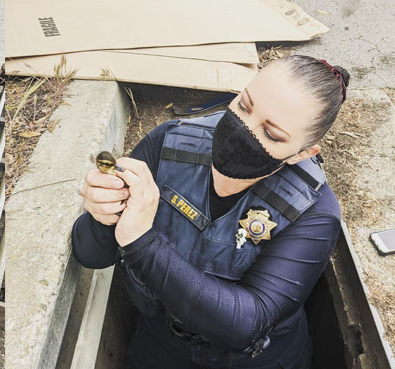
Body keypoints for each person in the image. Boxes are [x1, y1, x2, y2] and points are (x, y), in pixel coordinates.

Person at [72, 55, 350, 368]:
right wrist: (102, 213)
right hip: (160, 347)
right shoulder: (169, 144)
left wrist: (141, 241)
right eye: (244, 106)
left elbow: (248, 321)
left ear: (302, 153)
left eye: (271, 135)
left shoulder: (313, 212)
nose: (244, 129)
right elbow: (91, 254)